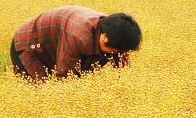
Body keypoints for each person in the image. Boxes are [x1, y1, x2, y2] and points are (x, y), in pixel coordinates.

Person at [10, 6, 141, 81]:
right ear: (104, 36)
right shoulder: (79, 36)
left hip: (55, 47)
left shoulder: (117, 32)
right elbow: (66, 78)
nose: (115, 54)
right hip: (30, 46)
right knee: (42, 96)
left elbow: (124, 74)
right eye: (113, 50)